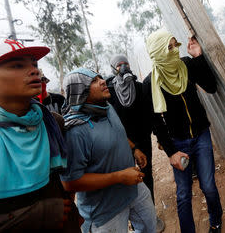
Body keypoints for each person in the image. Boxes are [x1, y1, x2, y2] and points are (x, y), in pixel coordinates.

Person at [0, 38, 81, 232]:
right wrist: (37, 215)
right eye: (18, 65)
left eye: (35, 64)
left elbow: (61, 182)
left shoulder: (53, 123)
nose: (35, 70)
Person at [144, 29, 223, 233]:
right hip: (178, 143)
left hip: (201, 136)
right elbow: (156, 122)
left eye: (174, 46)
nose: (174, 51)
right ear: (157, 53)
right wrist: (171, 152)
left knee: (208, 186)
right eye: (168, 48)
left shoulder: (187, 65)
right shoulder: (150, 84)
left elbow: (211, 87)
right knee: (183, 195)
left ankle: (216, 221)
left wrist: (198, 57)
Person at [60, 68, 156, 233]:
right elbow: (70, 182)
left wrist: (134, 148)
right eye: (94, 81)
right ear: (80, 92)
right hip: (105, 211)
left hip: (133, 190)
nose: (103, 81)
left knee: (149, 227)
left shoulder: (106, 107)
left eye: (100, 77)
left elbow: (115, 133)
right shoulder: (75, 132)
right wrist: (119, 177)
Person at [106, 55, 166, 232]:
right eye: (119, 65)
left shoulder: (140, 88)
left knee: (146, 176)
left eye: (126, 64)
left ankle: (150, 216)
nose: (123, 67)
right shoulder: (109, 93)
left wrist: (160, 136)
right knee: (127, 178)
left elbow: (153, 115)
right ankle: (133, 220)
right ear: (113, 68)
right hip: (122, 143)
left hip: (143, 140)